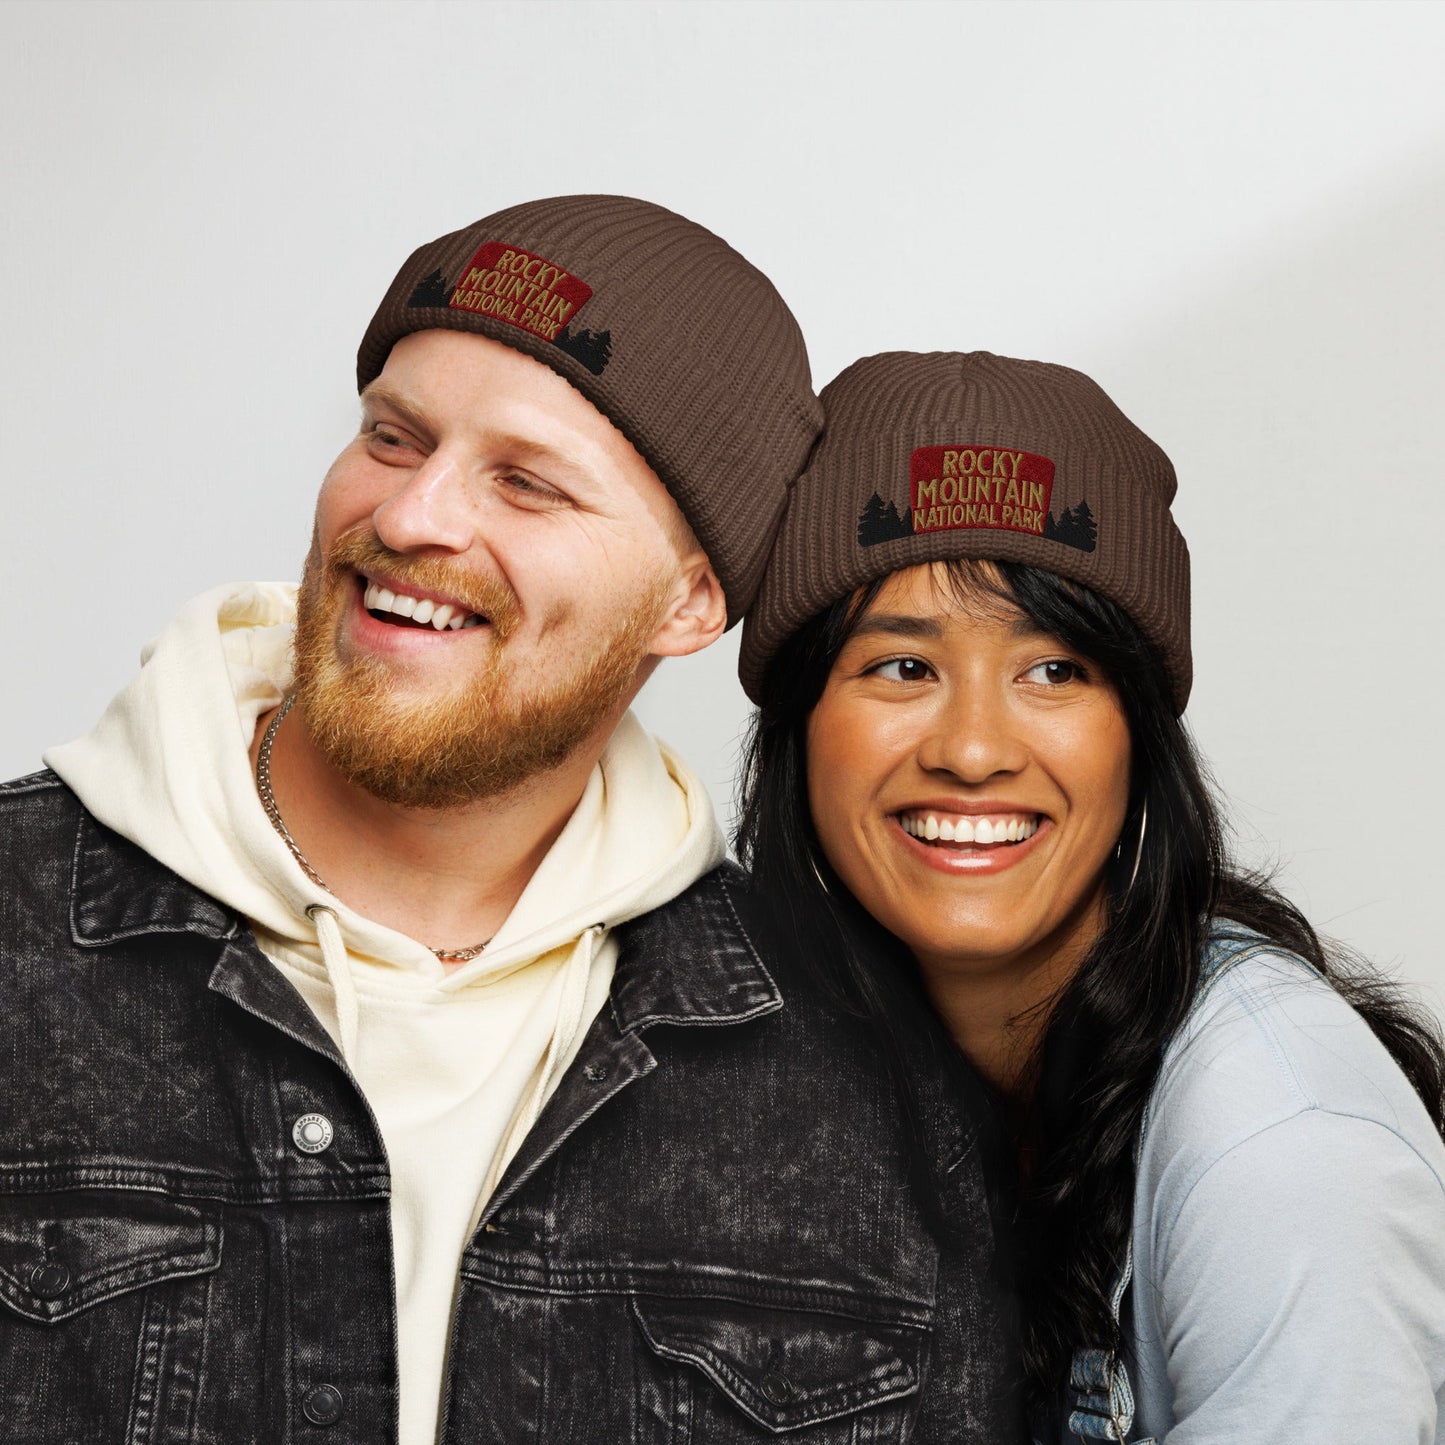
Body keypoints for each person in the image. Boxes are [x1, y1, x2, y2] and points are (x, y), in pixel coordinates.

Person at [0, 208, 1018, 1442]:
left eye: (525, 483)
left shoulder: (866, 1087)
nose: (415, 514)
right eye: (392, 436)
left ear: (690, 600)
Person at [736, 350, 1445, 1443]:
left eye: (1053, 670)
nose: (972, 750)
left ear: (1136, 740)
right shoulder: (763, 1069)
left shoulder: (1280, 1142)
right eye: (900, 667)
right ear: (797, 730)